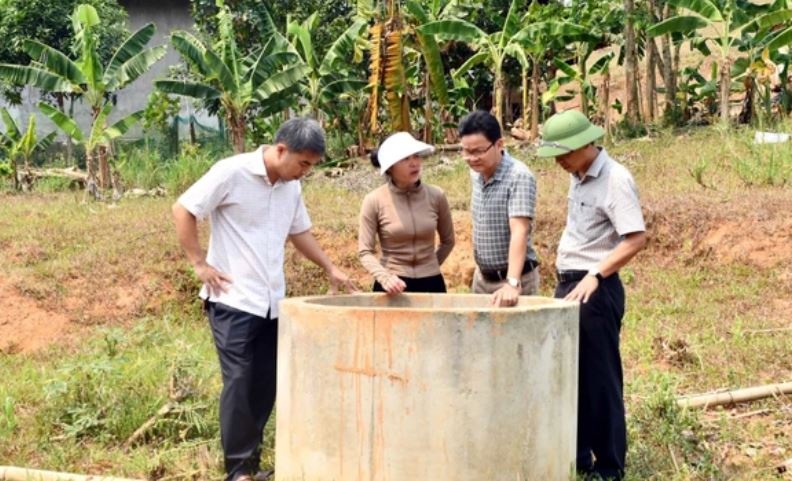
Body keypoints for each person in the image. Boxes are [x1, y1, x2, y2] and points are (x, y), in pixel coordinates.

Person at [172, 117, 356, 481]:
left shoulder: (291, 188)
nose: (305, 172)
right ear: (281, 149)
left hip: (273, 302)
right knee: (239, 381)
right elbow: (184, 208)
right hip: (232, 299)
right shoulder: (232, 172)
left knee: (264, 384)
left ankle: (250, 465)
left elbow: (298, 232)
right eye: (302, 163)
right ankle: (238, 471)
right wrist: (199, 264)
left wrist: (329, 268)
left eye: (311, 166)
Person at [536, 109, 647, 481]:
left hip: (595, 288)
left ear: (587, 143)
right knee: (571, 375)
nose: (559, 161)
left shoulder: (615, 179)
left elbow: (636, 238)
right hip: (570, 284)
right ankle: (580, 456)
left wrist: (596, 274)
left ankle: (611, 465)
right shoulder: (578, 176)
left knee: (600, 378)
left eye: (564, 152)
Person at [457, 110, 539, 306]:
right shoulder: (475, 173)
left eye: (478, 151)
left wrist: (512, 282)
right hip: (483, 279)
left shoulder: (518, 177)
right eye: (466, 152)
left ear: (499, 144)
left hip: (514, 279)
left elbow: (519, 230)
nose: (471, 158)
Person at [358, 132, 455, 294]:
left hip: (432, 283)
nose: (414, 163)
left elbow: (448, 241)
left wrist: (429, 266)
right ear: (390, 167)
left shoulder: (436, 196)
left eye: (416, 156)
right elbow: (365, 252)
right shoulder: (374, 200)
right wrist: (385, 277)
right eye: (405, 159)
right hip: (392, 286)